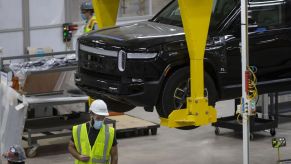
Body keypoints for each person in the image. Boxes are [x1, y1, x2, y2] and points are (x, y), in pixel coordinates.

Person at [68, 100, 118, 164]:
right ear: (91, 114)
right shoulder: (78, 129)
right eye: (98, 118)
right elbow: (70, 146)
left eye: (103, 118)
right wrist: (78, 156)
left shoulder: (110, 132)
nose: (101, 120)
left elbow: (114, 156)